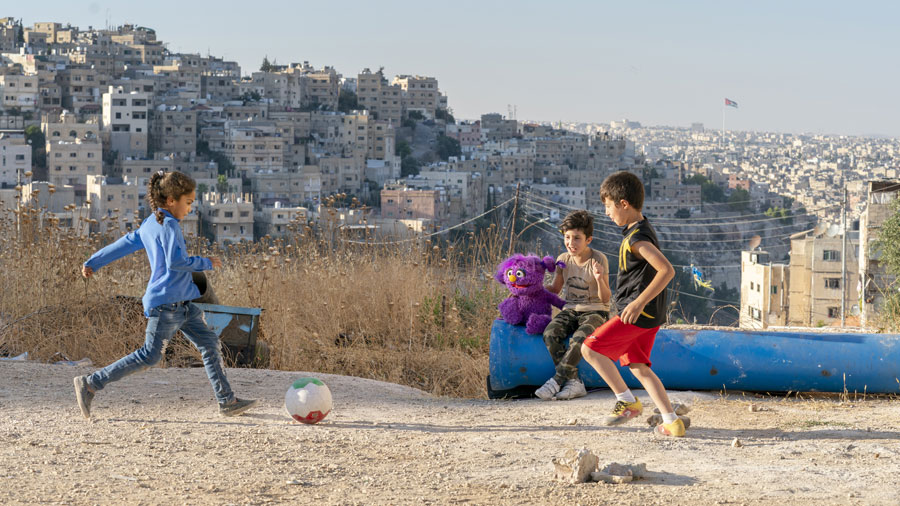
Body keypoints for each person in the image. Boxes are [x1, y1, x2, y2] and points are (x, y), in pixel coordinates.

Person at [73, 170, 257, 419]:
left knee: (210, 344)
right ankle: (91, 383)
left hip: (184, 306)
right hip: (167, 305)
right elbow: (176, 261)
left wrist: (92, 262)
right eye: (189, 202)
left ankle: (227, 401)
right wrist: (206, 262)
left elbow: (124, 243)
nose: (190, 209)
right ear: (171, 200)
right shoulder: (169, 225)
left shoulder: (150, 223)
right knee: (149, 356)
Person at [580, 171, 684, 436]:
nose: (606, 213)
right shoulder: (639, 229)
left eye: (608, 206)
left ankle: (626, 401)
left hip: (637, 314)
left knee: (590, 349)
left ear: (623, 203)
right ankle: (671, 421)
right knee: (639, 366)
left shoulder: (637, 239)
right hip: (651, 315)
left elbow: (666, 270)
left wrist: (638, 303)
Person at [535, 210, 611, 400]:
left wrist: (600, 279)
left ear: (588, 239)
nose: (571, 243)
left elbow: (605, 298)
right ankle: (575, 382)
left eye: (577, 238)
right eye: (567, 237)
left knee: (579, 339)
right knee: (550, 333)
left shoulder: (598, 259)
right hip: (570, 309)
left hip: (596, 311)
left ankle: (556, 381)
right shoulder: (563, 259)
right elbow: (555, 288)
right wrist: (531, 288)